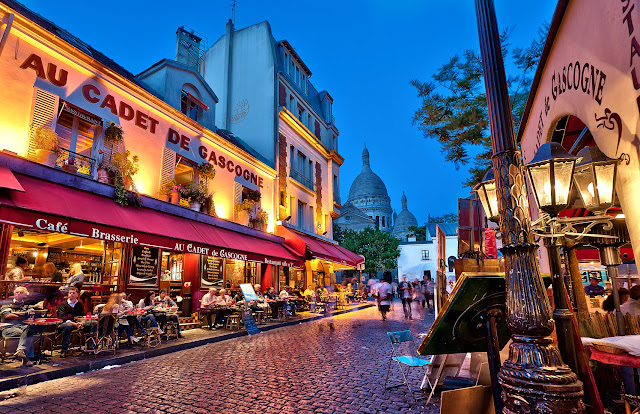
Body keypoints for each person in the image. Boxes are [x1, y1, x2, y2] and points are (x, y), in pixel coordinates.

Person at [0, 286, 35, 366]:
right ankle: (26, 358)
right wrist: (24, 315)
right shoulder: (6, 303)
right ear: (14, 294)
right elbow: (7, 316)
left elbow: (31, 314)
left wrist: (16, 313)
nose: (18, 294)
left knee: (27, 330)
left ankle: (21, 351)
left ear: (25, 295)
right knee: (27, 333)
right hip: (7, 328)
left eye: (21, 293)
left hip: (23, 328)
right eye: (17, 292)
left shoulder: (27, 305)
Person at [56, 287, 86, 357]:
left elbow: (83, 315)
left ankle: (89, 348)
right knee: (68, 326)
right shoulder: (63, 304)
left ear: (77, 295)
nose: (71, 294)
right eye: (70, 293)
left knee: (92, 323)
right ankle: (64, 350)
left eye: (73, 293)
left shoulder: (80, 304)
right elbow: (61, 317)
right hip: (63, 324)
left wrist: (82, 322)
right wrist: (74, 324)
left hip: (77, 323)